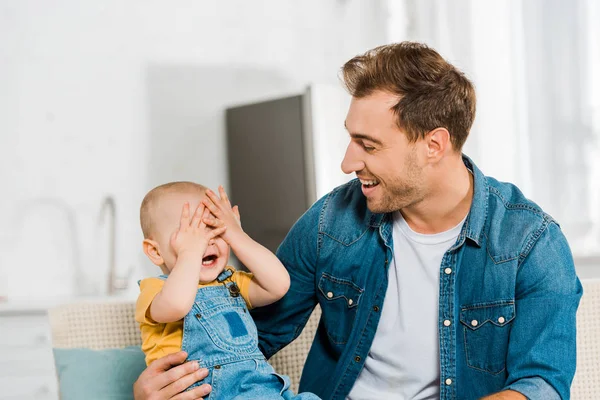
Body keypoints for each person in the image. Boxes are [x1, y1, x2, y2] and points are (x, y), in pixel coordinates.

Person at [134, 42, 582, 400]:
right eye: (351, 140)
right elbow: (251, 335)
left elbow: (541, 385)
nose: (348, 162)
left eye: (368, 145)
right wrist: (159, 388)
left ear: (434, 145)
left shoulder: (531, 242)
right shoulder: (331, 221)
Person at [135, 181, 320, 400]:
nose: (207, 241)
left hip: (260, 390)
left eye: (214, 230)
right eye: (191, 235)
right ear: (155, 251)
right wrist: (190, 254)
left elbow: (279, 285)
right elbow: (177, 305)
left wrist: (236, 235)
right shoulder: (155, 290)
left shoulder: (230, 283)